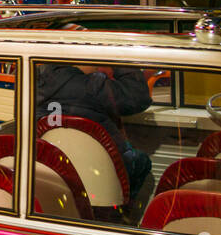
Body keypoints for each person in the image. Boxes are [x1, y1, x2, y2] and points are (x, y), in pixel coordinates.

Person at [34, 35, 153, 208]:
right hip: (101, 177)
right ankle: (123, 214)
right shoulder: (93, 87)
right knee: (142, 161)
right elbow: (139, 97)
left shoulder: (36, 83)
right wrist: (118, 57)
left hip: (56, 172)